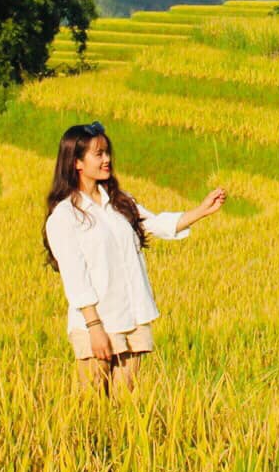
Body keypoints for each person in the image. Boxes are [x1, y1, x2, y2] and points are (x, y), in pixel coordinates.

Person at [43, 122, 225, 395]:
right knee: (90, 407)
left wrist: (201, 211)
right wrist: (94, 328)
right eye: (99, 154)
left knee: (125, 405)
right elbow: (75, 278)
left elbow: (157, 224)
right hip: (97, 323)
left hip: (132, 317)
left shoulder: (120, 202)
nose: (107, 160)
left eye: (107, 152)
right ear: (77, 162)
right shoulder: (65, 216)